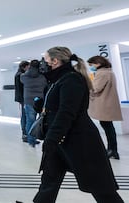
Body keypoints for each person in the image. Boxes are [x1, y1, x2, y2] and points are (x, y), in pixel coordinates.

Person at [33, 46, 123, 203]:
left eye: (45, 59)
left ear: (55, 61)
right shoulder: (57, 79)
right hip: (60, 140)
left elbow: (67, 113)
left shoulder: (71, 79)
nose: (43, 63)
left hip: (79, 141)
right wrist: (41, 106)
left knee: (101, 188)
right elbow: (58, 107)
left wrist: (52, 138)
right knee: (49, 182)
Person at [87, 56, 123, 160]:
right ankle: (112, 150)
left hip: (104, 104)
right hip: (107, 103)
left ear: (97, 63)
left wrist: (88, 86)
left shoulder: (102, 73)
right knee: (108, 127)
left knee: (108, 127)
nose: (91, 67)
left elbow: (96, 88)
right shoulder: (108, 72)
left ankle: (112, 150)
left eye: (91, 64)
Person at [20, 59, 47, 147]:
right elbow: (45, 84)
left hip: (28, 101)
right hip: (40, 101)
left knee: (30, 121)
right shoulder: (43, 77)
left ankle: (31, 140)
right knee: (40, 120)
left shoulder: (23, 76)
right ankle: (38, 137)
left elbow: (21, 80)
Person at [14, 61, 29, 142]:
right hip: (23, 98)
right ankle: (25, 133)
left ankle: (25, 133)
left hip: (21, 98)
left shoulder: (18, 74)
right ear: (24, 67)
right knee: (24, 116)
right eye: (28, 67)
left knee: (24, 115)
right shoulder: (21, 75)